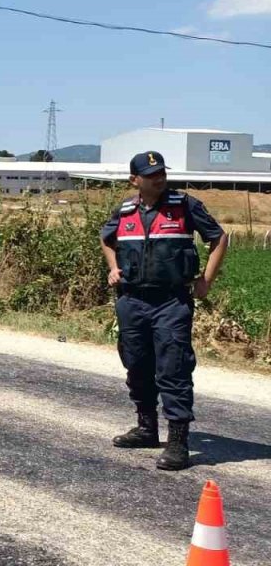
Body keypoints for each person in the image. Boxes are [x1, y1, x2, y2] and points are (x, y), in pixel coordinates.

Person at [100, 151, 228, 471]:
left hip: (171, 301)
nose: (159, 177)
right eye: (151, 174)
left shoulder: (185, 206)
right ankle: (146, 428)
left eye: (161, 172)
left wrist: (206, 281)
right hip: (131, 301)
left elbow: (219, 238)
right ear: (135, 180)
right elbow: (106, 238)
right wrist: (113, 268)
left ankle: (178, 442)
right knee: (137, 363)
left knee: (173, 368)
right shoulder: (125, 210)